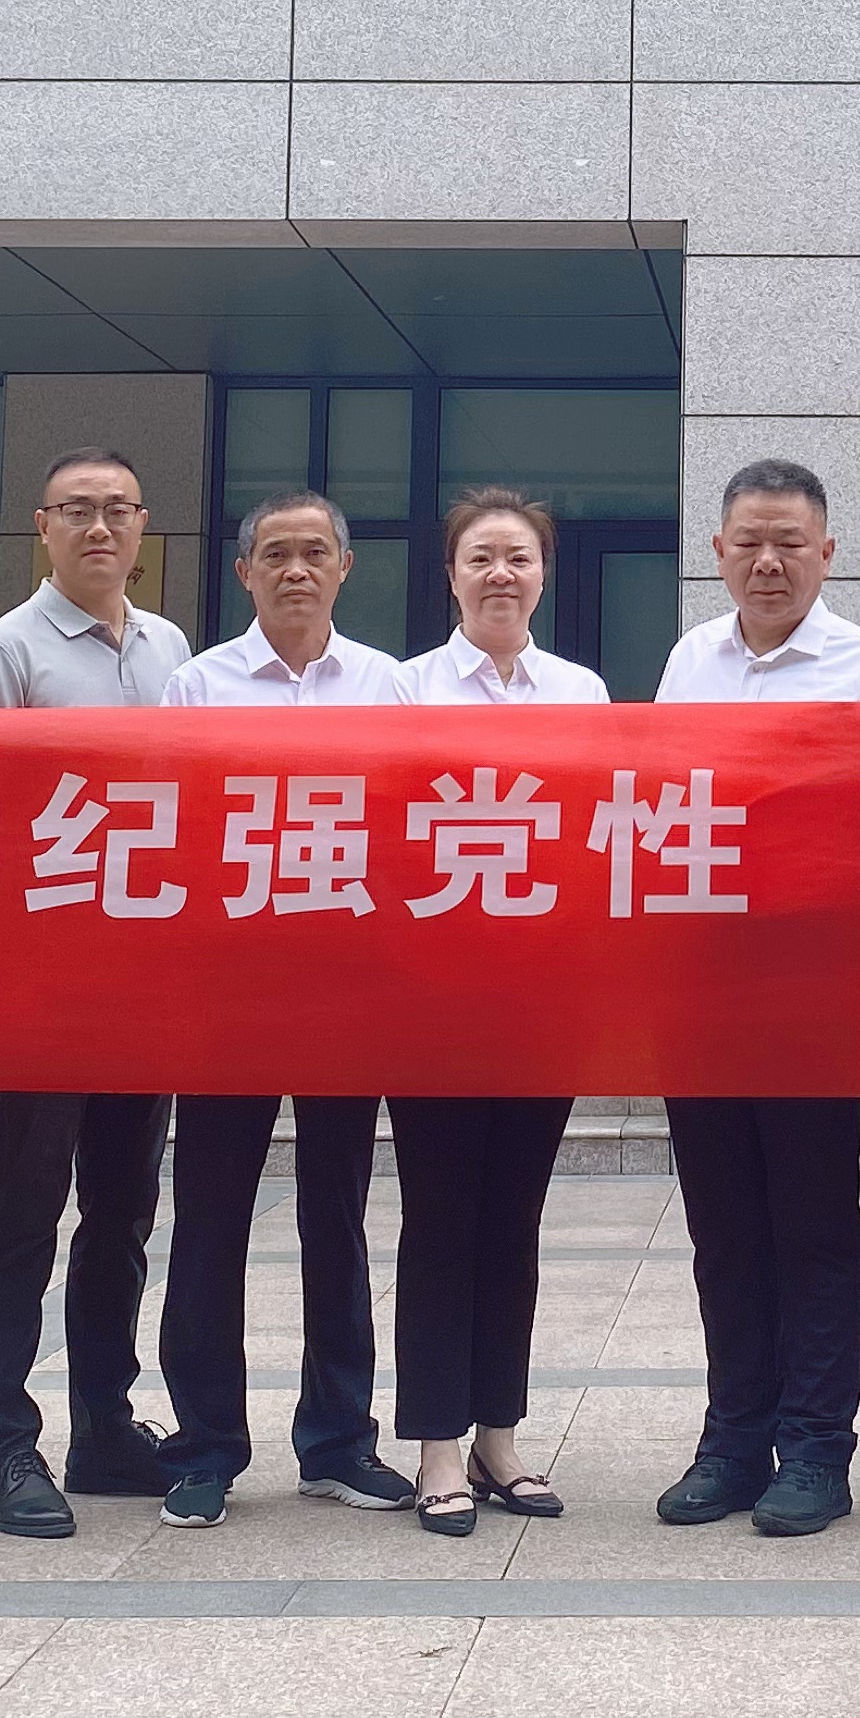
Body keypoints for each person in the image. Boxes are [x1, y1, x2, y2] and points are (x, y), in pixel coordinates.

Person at [153, 490, 412, 1528]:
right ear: (244, 573)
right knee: (209, 1218)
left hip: (349, 988)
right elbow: (175, 828)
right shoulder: (197, 685)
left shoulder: (390, 686)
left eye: (314, 553)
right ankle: (205, 1446)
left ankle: (339, 1441)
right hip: (229, 990)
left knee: (335, 1216)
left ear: (345, 568)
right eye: (276, 554)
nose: (296, 569)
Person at [0, 447, 195, 1540]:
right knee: (24, 1210)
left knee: (122, 1212)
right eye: (77, 511)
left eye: (118, 510)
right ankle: (6, 1443)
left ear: (143, 528)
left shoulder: (171, 649)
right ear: (41, 526)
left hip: (142, 982)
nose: (100, 528)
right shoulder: (5, 651)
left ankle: (104, 1423)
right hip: (42, 983)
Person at [651, 457, 860, 1538]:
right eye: (748, 542)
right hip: (704, 988)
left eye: (789, 542)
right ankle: (734, 1440)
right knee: (724, 1227)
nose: (767, 562)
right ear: (717, 552)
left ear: (827, 553)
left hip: (812, 990)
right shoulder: (689, 661)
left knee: (813, 1224)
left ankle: (818, 1448)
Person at [394, 487, 602, 1535]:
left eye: (518, 557)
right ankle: (436, 1445)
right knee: (439, 1216)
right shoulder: (404, 690)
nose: (501, 575)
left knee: (513, 1218)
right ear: (451, 575)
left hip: (540, 995)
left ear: (543, 573)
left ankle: (498, 1437)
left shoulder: (582, 692)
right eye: (481, 557)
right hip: (431, 997)